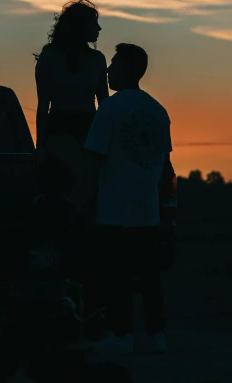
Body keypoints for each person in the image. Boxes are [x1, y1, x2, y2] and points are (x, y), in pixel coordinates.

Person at [82, 43, 173, 354]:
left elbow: (93, 160)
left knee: (117, 275)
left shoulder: (108, 110)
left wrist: (82, 200)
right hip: (148, 211)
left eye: (115, 65)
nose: (108, 71)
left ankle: (121, 335)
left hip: (114, 210)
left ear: (128, 70)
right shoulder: (159, 112)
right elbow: (166, 167)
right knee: (149, 276)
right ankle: (156, 334)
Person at [35, 0, 108, 191]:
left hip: (90, 131)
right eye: (94, 23)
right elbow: (43, 105)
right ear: (79, 26)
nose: (99, 28)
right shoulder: (49, 57)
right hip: (60, 129)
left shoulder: (98, 60)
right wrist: (40, 147)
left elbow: (104, 105)